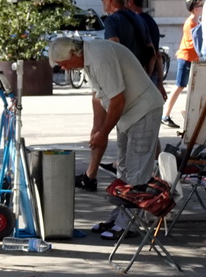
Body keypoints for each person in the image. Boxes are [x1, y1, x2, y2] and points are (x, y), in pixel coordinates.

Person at [49, 36, 163, 193]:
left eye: (64, 64)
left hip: (143, 109)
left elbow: (117, 100)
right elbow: (98, 95)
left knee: (136, 175)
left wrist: (103, 133)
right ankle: (120, 216)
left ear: (73, 53)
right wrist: (97, 128)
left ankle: (129, 216)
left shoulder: (99, 57)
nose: (64, 68)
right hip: (128, 114)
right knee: (123, 170)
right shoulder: (89, 57)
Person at [162, 0, 203, 128]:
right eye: (201, 5)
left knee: (192, 86)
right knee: (180, 85)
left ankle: (189, 112)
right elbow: (194, 43)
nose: (203, 7)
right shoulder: (191, 23)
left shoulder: (196, 22)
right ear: (195, 8)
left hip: (191, 59)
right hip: (186, 58)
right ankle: (165, 115)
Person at [126, 0, 166, 97]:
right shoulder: (150, 21)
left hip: (143, 77)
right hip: (150, 77)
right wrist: (160, 83)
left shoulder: (138, 22)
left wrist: (146, 78)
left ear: (130, 2)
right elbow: (157, 54)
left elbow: (152, 53)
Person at [100, 0, 149, 65]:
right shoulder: (140, 19)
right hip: (141, 73)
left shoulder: (111, 21)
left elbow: (114, 50)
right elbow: (151, 51)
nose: (102, 1)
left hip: (123, 75)